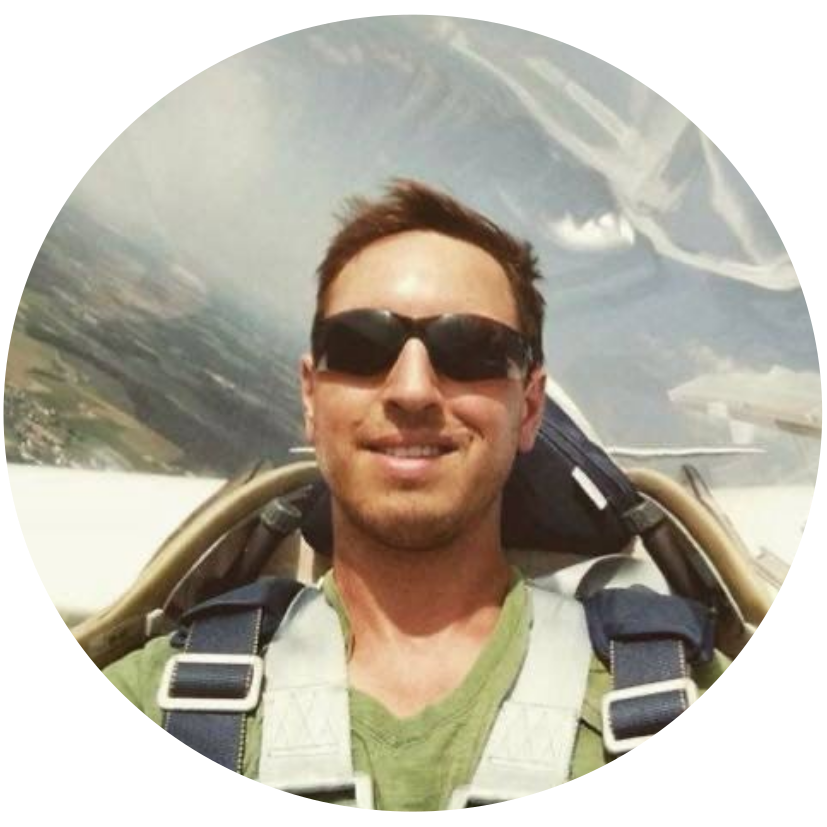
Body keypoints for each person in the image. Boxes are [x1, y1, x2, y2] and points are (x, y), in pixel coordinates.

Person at [104, 180, 727, 810]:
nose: (411, 390)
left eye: (472, 349)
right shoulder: (148, 705)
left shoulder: (681, 702)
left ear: (530, 407)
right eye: (360, 345)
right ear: (311, 397)